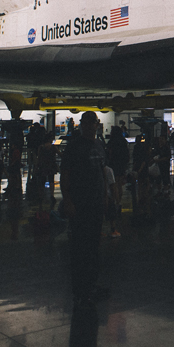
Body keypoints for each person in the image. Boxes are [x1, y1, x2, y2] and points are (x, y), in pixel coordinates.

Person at [60, 112, 109, 310]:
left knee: (93, 248)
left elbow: (103, 171)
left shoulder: (99, 146)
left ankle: (90, 286)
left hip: (96, 204)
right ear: (81, 125)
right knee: (80, 249)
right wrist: (68, 200)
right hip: (80, 205)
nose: (89, 126)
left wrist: (105, 196)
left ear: (96, 125)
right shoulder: (73, 147)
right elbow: (65, 175)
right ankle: (80, 291)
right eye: (85, 123)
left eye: (92, 123)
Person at [107, 127, 130, 206]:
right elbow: (127, 154)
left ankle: (115, 201)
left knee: (114, 184)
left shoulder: (111, 142)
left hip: (113, 164)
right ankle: (119, 201)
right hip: (121, 165)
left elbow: (109, 154)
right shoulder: (123, 142)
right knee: (119, 184)